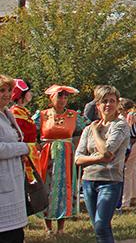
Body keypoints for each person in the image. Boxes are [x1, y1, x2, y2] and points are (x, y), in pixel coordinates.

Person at [75, 85, 130, 243]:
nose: (108, 104)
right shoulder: (88, 129)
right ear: (97, 105)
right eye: (104, 101)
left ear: (117, 103)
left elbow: (107, 153)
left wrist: (95, 133)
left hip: (110, 181)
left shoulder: (120, 125)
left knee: (101, 225)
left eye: (112, 101)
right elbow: (78, 158)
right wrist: (99, 157)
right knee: (98, 227)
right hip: (88, 181)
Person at [34, 84, 86, 234]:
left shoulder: (73, 115)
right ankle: (48, 226)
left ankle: (61, 227)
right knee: (47, 187)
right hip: (47, 155)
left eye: (65, 96)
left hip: (66, 156)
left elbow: (88, 127)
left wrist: (79, 145)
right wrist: (36, 145)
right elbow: (28, 129)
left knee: (64, 188)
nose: (63, 99)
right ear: (52, 98)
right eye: (59, 96)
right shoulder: (43, 115)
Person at [0, 74, 30, 243]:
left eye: (9, 90)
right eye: (1, 90)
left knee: (16, 234)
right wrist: (24, 148)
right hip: (2, 187)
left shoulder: (7, 113)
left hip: (12, 181)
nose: (6, 94)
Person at [119, 99, 136, 209]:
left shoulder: (127, 118)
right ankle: (135, 196)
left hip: (131, 145)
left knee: (127, 172)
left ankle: (125, 202)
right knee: (132, 170)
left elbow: (130, 135)